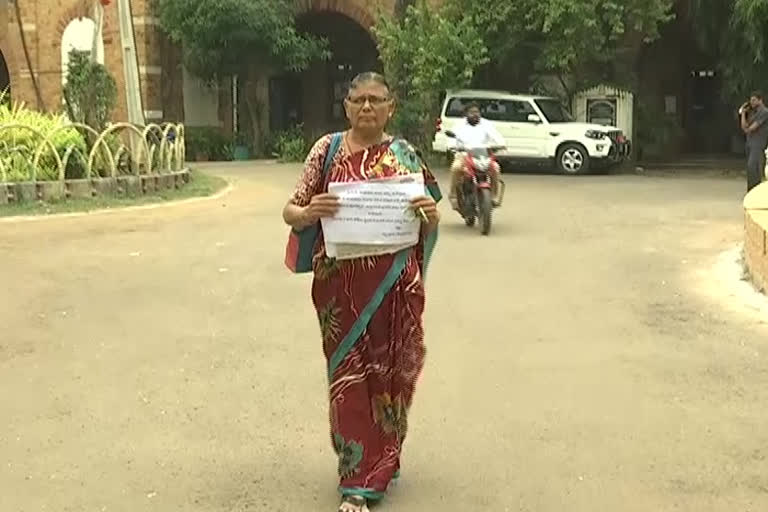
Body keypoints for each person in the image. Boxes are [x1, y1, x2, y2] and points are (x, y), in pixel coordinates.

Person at [282, 72, 441, 512]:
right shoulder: (326, 151)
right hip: (340, 293)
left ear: (391, 107)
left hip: (393, 288)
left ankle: (383, 458)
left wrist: (430, 215)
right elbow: (290, 211)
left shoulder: (405, 155)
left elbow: (429, 220)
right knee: (349, 378)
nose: (367, 107)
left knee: (390, 375)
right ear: (346, 106)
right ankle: (357, 480)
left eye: (376, 100)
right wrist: (310, 210)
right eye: (359, 100)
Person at [448, 102, 504, 209]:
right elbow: (451, 140)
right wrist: (453, 147)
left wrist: (499, 145)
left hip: (483, 156)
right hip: (464, 155)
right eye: (471, 112)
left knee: (496, 169)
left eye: (477, 112)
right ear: (466, 114)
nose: (475, 114)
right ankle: (453, 196)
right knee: (456, 168)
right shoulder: (458, 125)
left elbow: (498, 138)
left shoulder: (487, 124)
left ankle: (493, 196)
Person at [740, 90, 768, 192]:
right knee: (751, 169)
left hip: (758, 143)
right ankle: (751, 190)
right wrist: (743, 113)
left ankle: (756, 190)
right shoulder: (752, 113)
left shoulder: (764, 112)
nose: (752, 102)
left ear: (760, 100)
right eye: (751, 100)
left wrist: (747, 129)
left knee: (754, 167)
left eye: (754, 100)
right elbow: (744, 127)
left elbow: (751, 128)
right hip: (750, 143)